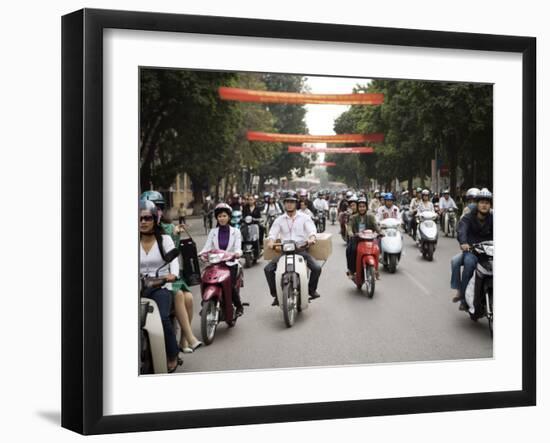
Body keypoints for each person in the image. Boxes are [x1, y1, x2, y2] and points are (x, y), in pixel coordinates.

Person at [139, 201, 201, 372]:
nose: (143, 222)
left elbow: (173, 260)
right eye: (139, 219)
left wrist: (171, 275)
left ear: (155, 220)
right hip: (138, 286)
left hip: (160, 286)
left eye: (147, 218)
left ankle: (173, 354)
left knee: (163, 317)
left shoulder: (165, 240)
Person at [264, 190, 321, 305]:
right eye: (287, 202)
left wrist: (312, 238)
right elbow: (273, 234)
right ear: (284, 204)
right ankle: (276, 294)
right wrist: (270, 242)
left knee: (316, 268)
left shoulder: (305, 217)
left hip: (300, 250)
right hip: (285, 251)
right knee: (268, 269)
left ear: (296, 203)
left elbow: (312, 230)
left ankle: (311, 290)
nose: (289, 204)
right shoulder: (279, 219)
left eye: (292, 202)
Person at [199, 203, 245, 316]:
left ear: (229, 217)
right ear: (217, 218)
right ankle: (206, 303)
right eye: (219, 216)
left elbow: (238, 248)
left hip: (231, 263)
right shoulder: (212, 232)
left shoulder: (236, 231)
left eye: (224, 216)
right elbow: (207, 247)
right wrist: (201, 254)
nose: (222, 218)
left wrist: (237, 254)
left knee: (230, 286)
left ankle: (239, 306)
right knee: (205, 280)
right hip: (216, 264)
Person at [452, 188, 493, 310]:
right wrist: (464, 242)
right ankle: (464, 299)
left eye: (487, 202)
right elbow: (462, 229)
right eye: (481, 202)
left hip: (490, 252)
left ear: (490, 205)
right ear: (477, 203)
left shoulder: (493, 218)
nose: (484, 205)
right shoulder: (468, 216)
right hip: (472, 251)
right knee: (468, 263)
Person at [346, 197, 381, 279]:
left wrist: (381, 233)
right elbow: (349, 227)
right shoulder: (353, 217)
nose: (362, 208)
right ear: (357, 207)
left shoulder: (371, 217)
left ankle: (376, 271)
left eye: (363, 206)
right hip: (357, 239)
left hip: (369, 239)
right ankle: (352, 270)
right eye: (360, 206)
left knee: (377, 249)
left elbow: (376, 226)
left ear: (366, 207)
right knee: (351, 250)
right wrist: (351, 233)